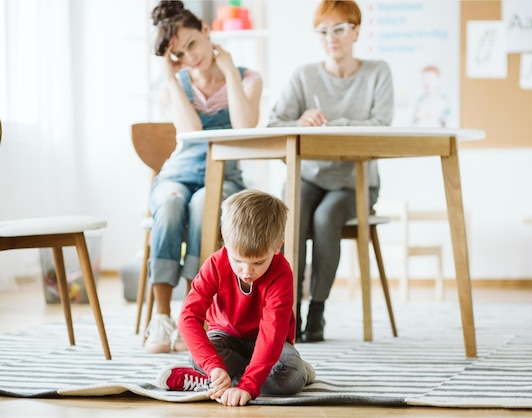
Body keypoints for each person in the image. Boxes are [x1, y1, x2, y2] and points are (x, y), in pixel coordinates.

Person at [266, 0, 394, 343]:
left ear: (355, 30)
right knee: (290, 217)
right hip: (308, 177)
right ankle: (286, 311)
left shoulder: (377, 72)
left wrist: (333, 124)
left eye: (338, 29)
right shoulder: (304, 75)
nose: (330, 38)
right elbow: (274, 124)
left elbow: (381, 125)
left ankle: (317, 311)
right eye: (322, 31)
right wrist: (300, 121)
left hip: (355, 183)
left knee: (326, 218)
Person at [145, 0, 262, 354]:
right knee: (169, 203)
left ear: (207, 32)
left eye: (193, 43)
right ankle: (162, 317)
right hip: (179, 173)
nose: (190, 56)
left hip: (225, 177)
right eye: (179, 52)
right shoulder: (173, 83)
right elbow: (191, 128)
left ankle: (191, 314)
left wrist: (228, 71)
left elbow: (245, 125)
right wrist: (170, 74)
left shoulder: (247, 77)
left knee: (203, 208)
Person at [156, 189, 316, 407]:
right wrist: (214, 366)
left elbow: (272, 332)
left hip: (270, 342)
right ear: (224, 239)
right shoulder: (215, 264)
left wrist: (249, 386)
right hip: (226, 338)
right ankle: (220, 378)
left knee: (288, 375)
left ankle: (218, 383)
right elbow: (188, 318)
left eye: (259, 262)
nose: (247, 271)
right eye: (238, 260)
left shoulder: (281, 272)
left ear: (277, 247)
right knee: (198, 356)